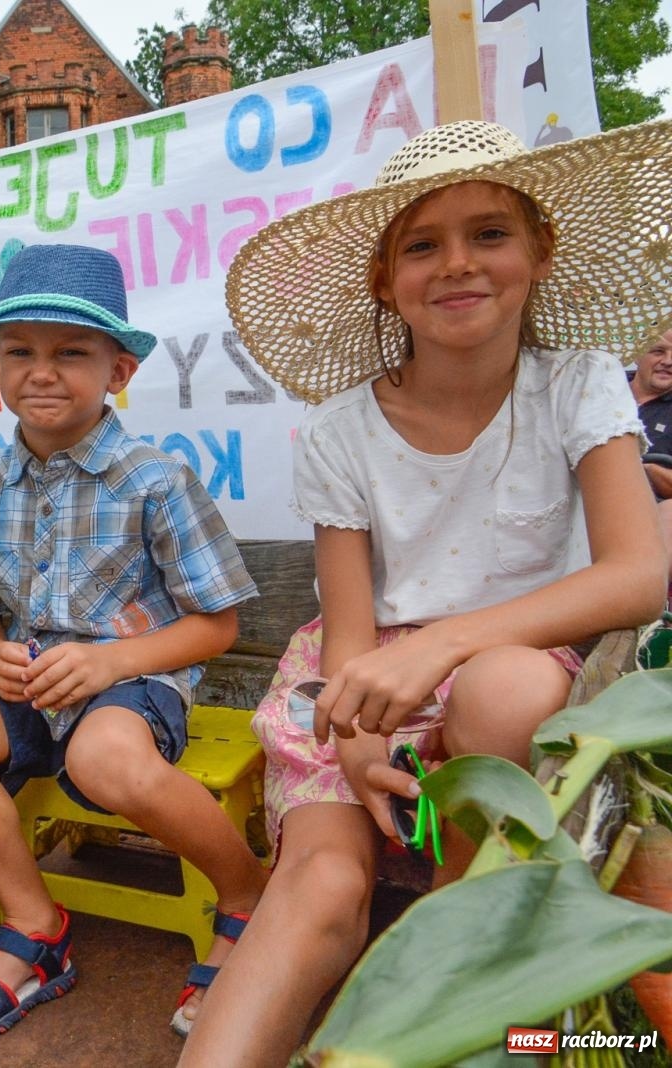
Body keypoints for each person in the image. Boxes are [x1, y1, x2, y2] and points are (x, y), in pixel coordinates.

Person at [181, 119, 671, 1067]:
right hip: (361, 683)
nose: (457, 264)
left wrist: (446, 644)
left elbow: (635, 575)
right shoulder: (340, 431)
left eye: (489, 233)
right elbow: (351, 634)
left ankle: (456, 963)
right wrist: (359, 740)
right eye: (421, 245)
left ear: (540, 250)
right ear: (385, 279)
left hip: (517, 682)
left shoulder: (577, 387)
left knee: (505, 689)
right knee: (321, 888)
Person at [0, 244, 264, 1042]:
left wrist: (109, 662)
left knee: (103, 759)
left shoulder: (155, 480)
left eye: (71, 353)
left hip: (134, 681)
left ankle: (248, 895)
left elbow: (218, 624)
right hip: (30, 687)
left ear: (118, 371)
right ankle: (34, 924)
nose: (42, 372)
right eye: (19, 352)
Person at [629, 323, 672, 567]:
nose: (668, 361)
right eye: (658, 351)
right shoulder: (603, 390)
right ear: (637, 354)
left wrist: (647, 470)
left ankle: (648, 585)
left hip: (650, 513)